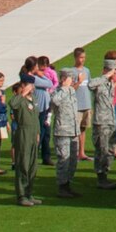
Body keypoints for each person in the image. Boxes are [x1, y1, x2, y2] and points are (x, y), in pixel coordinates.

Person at [9, 75, 43, 206]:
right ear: (23, 85)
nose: (32, 88)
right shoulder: (20, 99)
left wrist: (38, 132)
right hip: (23, 133)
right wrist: (22, 93)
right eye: (30, 85)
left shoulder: (33, 98)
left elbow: (36, 116)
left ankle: (29, 193)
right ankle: (21, 195)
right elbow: (12, 104)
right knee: (23, 164)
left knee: (32, 166)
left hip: (34, 133)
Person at [90, 59, 116, 188]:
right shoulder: (100, 82)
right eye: (111, 70)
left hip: (110, 122)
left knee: (108, 151)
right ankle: (101, 178)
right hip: (101, 122)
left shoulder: (110, 84)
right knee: (101, 151)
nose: (113, 73)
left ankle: (105, 175)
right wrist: (106, 75)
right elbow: (90, 84)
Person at [51, 69, 81, 197]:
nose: (72, 80)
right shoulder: (58, 92)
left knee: (73, 160)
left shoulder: (72, 91)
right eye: (70, 78)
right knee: (63, 159)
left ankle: (68, 184)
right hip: (62, 130)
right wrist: (64, 88)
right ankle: (62, 187)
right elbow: (54, 102)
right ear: (63, 79)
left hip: (73, 130)